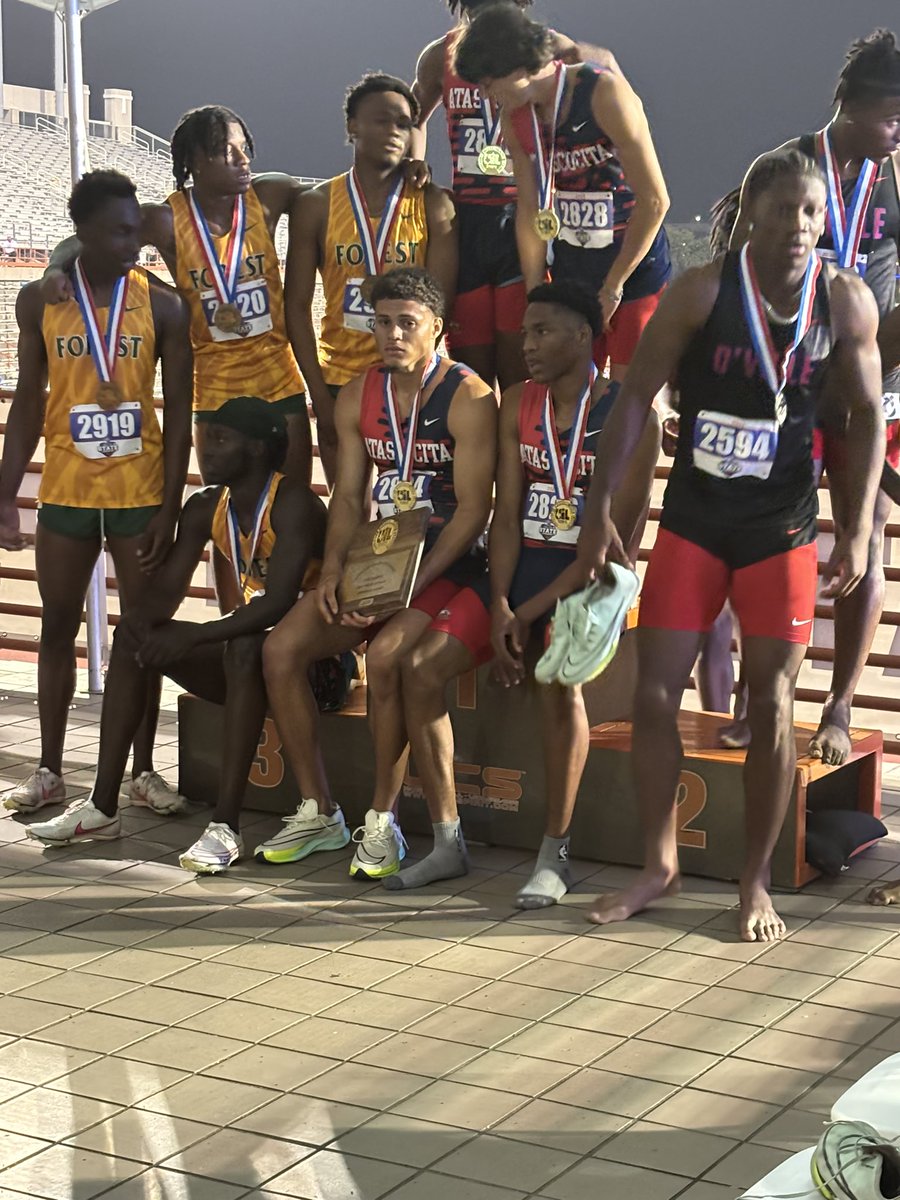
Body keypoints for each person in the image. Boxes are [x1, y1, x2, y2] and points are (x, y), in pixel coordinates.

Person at [576, 149, 884, 942]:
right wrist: (599, 509)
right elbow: (635, 399)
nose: (798, 227)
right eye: (782, 211)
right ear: (750, 215)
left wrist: (851, 525)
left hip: (779, 531)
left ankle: (753, 884)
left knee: (773, 705)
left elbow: (863, 418)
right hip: (694, 524)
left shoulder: (843, 302)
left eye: (811, 213)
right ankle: (658, 865)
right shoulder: (702, 293)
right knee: (653, 694)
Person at [400, 281, 658, 905]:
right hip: (517, 578)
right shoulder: (517, 401)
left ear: (583, 336)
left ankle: (555, 853)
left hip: (592, 583)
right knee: (419, 669)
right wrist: (499, 606)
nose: (527, 344)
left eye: (542, 332)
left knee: (556, 681)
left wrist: (525, 615)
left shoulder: (633, 417)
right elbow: (507, 514)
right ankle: (446, 840)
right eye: (523, 332)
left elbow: (609, 543)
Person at [262, 267, 497, 884]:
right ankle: (319, 812)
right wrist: (336, 568)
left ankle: (381, 821)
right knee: (281, 650)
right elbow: (346, 496)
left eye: (406, 324)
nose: (391, 334)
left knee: (390, 656)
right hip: (374, 560)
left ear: (436, 329)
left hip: (444, 561)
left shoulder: (469, 396)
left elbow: (474, 510)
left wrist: (407, 585)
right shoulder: (355, 393)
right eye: (382, 322)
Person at [25, 397, 326, 870]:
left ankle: (225, 827)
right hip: (256, 655)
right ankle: (102, 808)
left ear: (256, 450)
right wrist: (143, 629)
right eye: (206, 439)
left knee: (245, 647)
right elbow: (165, 591)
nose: (206, 451)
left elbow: (279, 601)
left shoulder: (294, 502)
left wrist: (197, 636)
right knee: (133, 638)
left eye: (221, 440)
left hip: (315, 667)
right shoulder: (207, 505)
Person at [0, 170, 193, 817]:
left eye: (135, 229)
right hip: (68, 493)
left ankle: (142, 771)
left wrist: (170, 506)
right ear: (79, 231)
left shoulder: (163, 305)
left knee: (142, 635)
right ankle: (50, 771)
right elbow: (28, 402)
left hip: (140, 493)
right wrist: (5, 494)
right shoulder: (40, 301)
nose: (132, 242)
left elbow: (182, 415)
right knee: (56, 628)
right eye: (117, 231)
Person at [731, 30, 900, 765]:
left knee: (868, 544)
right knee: (770, 546)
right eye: (894, 116)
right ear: (855, 104)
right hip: (787, 382)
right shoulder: (783, 169)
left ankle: (837, 709)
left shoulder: (897, 177)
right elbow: (733, 271)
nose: (899, 133)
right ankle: (754, 701)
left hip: (874, 390)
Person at [42, 105, 313, 482]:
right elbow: (84, 238)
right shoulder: (166, 220)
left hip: (279, 379)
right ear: (194, 161)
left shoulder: (269, 195)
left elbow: (337, 199)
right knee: (223, 508)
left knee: (293, 500)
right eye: (225, 150)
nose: (241, 158)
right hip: (216, 387)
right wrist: (55, 268)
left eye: (243, 147)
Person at [454, 2, 671, 382]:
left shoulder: (603, 92)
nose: (487, 97)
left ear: (517, 69)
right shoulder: (515, 115)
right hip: (574, 267)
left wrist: (614, 286)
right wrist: (537, 292)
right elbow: (529, 209)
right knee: (569, 391)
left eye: (489, 84)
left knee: (627, 401)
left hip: (634, 270)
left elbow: (655, 201)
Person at [408, 0, 618, 391]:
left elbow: (597, 65)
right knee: (472, 371)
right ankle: (481, 447)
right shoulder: (440, 55)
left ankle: (521, 448)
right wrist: (415, 160)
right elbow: (414, 118)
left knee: (521, 364)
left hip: (523, 218)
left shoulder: (544, 46)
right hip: (466, 222)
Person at [285, 73, 458, 486]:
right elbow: (294, 306)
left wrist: (412, 379)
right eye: (382, 120)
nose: (394, 131)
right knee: (348, 509)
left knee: (411, 510)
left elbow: (440, 306)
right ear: (353, 126)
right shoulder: (316, 205)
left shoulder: (434, 203)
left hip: (413, 381)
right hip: (339, 380)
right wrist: (319, 394)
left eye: (404, 123)